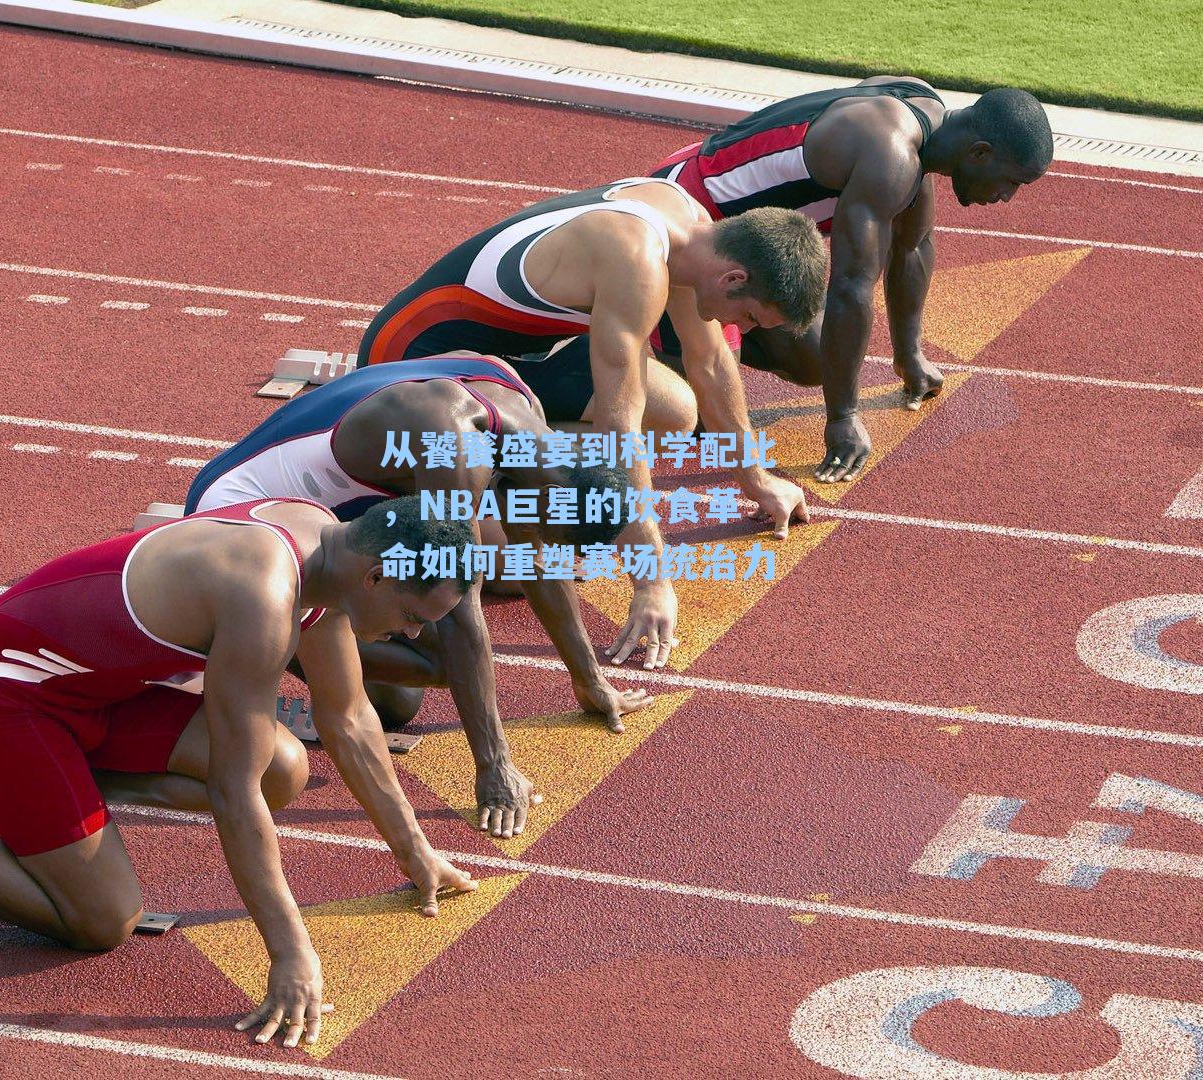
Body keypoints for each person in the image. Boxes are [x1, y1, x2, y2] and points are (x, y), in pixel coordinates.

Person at [0, 495, 475, 1050]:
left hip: (94, 695)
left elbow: (349, 716)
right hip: (0, 692)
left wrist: (415, 852)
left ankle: (54, 803)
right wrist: (291, 952)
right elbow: (232, 792)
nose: (415, 636)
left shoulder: (324, 548)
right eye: (415, 617)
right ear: (376, 577)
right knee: (103, 920)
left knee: (284, 767)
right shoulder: (264, 595)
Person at [357, 176, 827, 666]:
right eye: (750, 318)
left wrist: (755, 478)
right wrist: (651, 580)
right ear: (733, 279)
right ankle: (494, 483)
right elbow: (619, 431)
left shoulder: (694, 230)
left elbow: (709, 361)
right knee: (511, 566)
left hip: (505, 356)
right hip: (410, 364)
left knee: (674, 411)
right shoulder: (636, 260)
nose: (740, 329)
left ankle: (510, 474)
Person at [185, 352, 652, 838]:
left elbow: (533, 559)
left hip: (316, 514)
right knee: (442, 660)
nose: (534, 539)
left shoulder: (522, 410)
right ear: (552, 501)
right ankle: (266, 647)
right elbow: (459, 611)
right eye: (545, 531)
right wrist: (494, 766)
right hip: (238, 516)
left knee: (406, 695)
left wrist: (590, 680)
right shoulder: (455, 451)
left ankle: (302, 645)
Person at [652, 82, 1053, 482]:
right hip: (688, 218)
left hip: (732, 233)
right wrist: (843, 417)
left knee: (815, 355)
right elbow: (850, 286)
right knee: (695, 417)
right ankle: (644, 331)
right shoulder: (889, 155)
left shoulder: (922, 115)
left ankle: (701, 338)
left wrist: (909, 355)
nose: (1007, 196)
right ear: (979, 152)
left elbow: (913, 245)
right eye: (1012, 181)